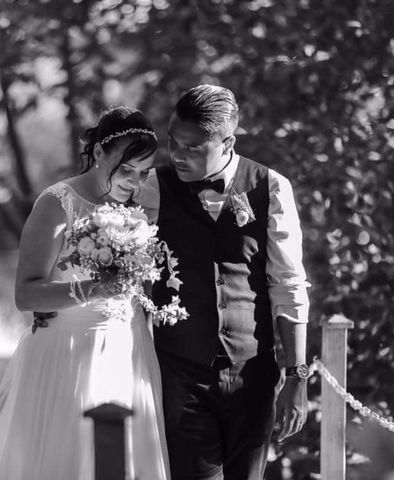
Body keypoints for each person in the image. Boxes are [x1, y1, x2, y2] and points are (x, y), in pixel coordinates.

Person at [0, 106, 170, 480]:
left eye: (143, 174)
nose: (134, 183)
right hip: (68, 354)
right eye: (126, 170)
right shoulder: (57, 203)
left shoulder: (137, 208)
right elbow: (26, 294)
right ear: (98, 154)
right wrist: (93, 288)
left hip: (129, 350)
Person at [137, 84, 311, 480]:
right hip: (179, 371)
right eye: (173, 143)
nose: (178, 155)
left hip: (254, 374)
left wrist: (297, 377)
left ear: (227, 141)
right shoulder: (152, 187)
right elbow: (132, 276)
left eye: (193, 147)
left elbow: (288, 285)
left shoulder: (271, 187)